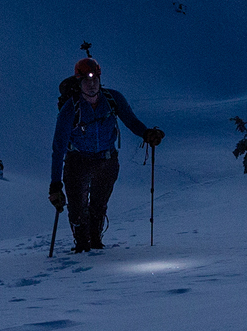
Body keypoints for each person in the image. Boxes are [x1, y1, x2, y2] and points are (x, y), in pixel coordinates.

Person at [50, 56, 163, 252]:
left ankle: (95, 242)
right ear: (79, 82)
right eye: (87, 80)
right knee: (77, 208)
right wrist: (55, 184)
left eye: (95, 79)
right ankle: (83, 245)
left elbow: (131, 121)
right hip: (78, 161)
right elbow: (59, 147)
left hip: (106, 160)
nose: (92, 84)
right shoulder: (70, 108)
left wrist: (146, 134)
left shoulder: (113, 99)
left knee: (99, 205)